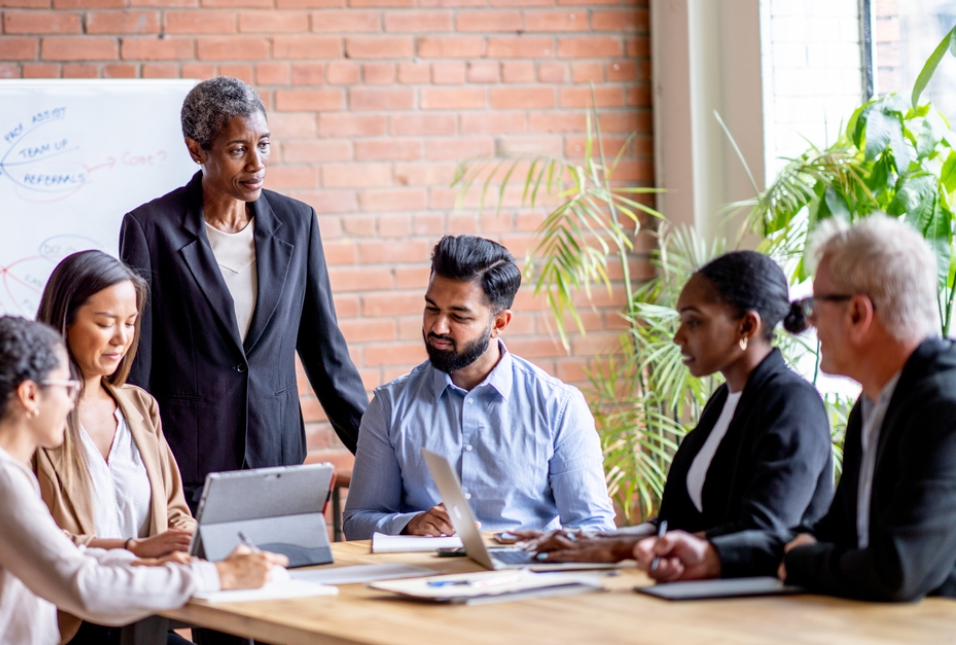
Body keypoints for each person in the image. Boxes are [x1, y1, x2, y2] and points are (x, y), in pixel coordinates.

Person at [0, 316, 285, 645]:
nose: (71, 401)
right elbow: (83, 587)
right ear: (29, 395)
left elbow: (57, 553)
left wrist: (139, 561)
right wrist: (217, 574)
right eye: (66, 387)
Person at [634, 216, 956, 602]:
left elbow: (898, 569)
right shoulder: (873, 405)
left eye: (815, 304)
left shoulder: (945, 407)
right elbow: (832, 534)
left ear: (857, 314)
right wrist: (715, 556)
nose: (808, 322)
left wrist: (802, 560)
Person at [120, 76, 368, 509]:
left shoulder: (298, 223)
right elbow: (137, 366)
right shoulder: (150, 229)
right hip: (188, 469)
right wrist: (135, 473)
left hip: (278, 461)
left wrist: (379, 455)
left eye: (264, 145)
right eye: (238, 150)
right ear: (197, 151)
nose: (257, 164)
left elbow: (327, 354)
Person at [517, 251, 834, 563]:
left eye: (694, 322)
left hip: (762, 600)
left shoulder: (794, 403)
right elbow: (677, 523)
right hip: (704, 590)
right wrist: (590, 537)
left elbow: (762, 529)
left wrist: (619, 551)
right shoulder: (724, 400)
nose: (678, 337)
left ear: (747, 327)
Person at [343, 235, 616, 540]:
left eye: (459, 316)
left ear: (499, 323)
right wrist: (410, 524)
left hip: (527, 579)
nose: (438, 327)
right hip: (423, 579)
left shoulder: (558, 406)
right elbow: (357, 523)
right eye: (432, 308)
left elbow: (593, 526)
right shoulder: (390, 405)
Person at [34, 251, 198, 645]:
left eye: (130, 323)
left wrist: (189, 540)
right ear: (64, 323)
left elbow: (175, 511)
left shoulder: (140, 407)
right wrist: (133, 548)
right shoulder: (31, 417)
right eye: (105, 323)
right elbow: (38, 540)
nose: (122, 338)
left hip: (144, 614)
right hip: (72, 624)